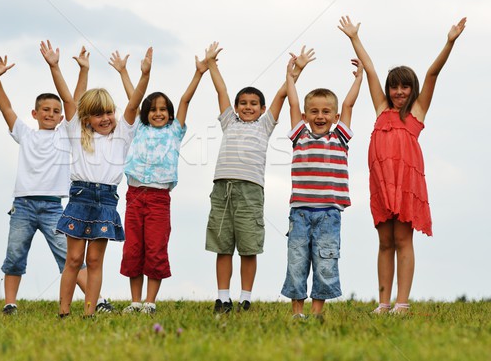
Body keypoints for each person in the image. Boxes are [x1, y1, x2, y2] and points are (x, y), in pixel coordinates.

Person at [338, 15, 467, 314]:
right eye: (394, 87)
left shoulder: (418, 112)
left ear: (412, 89)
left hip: (406, 184)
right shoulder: (381, 107)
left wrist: (449, 42)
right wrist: (354, 38)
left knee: (402, 238)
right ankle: (383, 303)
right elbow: (369, 70)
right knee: (384, 241)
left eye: (405, 87)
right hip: (381, 181)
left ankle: (402, 303)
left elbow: (432, 73)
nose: (399, 92)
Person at [41, 40, 151, 318]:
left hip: (106, 200)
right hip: (81, 196)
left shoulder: (122, 135)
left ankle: (89, 313)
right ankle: (64, 313)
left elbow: (135, 102)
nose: (106, 118)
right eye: (99, 114)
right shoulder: (77, 133)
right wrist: (55, 66)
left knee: (94, 260)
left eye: (109, 112)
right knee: (74, 259)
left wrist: (145, 75)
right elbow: (68, 99)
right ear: (86, 119)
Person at [204, 42, 310, 313]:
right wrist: (212, 64)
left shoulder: (265, 125)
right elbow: (221, 90)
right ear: (236, 107)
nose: (247, 107)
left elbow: (282, 95)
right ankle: (223, 298)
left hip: (250, 191)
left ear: (262, 109)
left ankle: (246, 297)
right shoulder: (229, 121)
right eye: (243, 103)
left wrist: (295, 71)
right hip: (222, 189)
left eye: (253, 104)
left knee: (248, 247)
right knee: (223, 245)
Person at [0, 50, 92, 315]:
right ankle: (10, 303)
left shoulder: (65, 135)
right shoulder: (24, 134)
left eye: (56, 111)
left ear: (61, 117)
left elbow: (75, 102)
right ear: (34, 113)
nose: (51, 114)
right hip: (22, 206)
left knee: (69, 257)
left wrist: (83, 70)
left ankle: (97, 301)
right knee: (14, 254)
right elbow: (5, 107)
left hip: (53, 208)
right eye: (45, 110)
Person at [109, 52, 209, 314]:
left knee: (155, 249)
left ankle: (150, 303)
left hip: (158, 200)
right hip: (134, 196)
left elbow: (186, 98)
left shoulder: (174, 130)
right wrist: (124, 72)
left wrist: (198, 73)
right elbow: (134, 99)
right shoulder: (139, 128)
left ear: (170, 113)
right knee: (134, 250)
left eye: (163, 109)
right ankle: (134, 301)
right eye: (153, 109)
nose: (158, 113)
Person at [281, 46, 363, 320]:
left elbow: (349, 104)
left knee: (325, 261)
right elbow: (292, 103)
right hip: (301, 212)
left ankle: (316, 312)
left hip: (329, 213)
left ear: (335, 117)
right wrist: (290, 78)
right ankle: (297, 312)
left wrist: (358, 79)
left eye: (326, 112)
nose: (320, 116)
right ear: (305, 117)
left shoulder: (339, 136)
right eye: (314, 111)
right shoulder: (299, 136)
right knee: (297, 262)